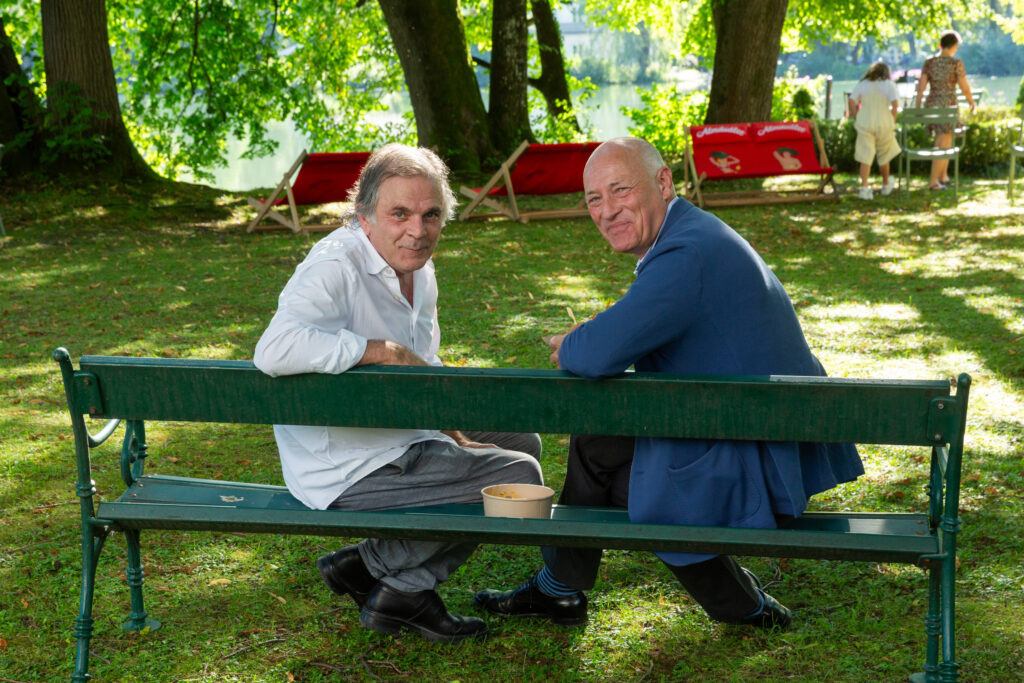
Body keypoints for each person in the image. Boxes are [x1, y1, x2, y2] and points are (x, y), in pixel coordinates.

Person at [474, 137, 864, 631]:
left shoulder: (686, 256)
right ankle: (560, 589)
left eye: (620, 190)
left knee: (641, 488)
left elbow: (594, 354)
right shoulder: (692, 235)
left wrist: (571, 343)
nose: (607, 210)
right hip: (759, 430)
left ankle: (743, 607)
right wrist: (593, 337)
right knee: (599, 443)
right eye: (595, 198)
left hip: (759, 459)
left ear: (663, 182)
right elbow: (635, 327)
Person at [253, 143, 544, 643]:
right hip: (345, 462)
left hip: (400, 430)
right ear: (364, 216)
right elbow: (274, 349)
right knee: (518, 476)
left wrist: (456, 433)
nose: (418, 230)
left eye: (431, 215)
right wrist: (380, 349)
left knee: (522, 444)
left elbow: (424, 371)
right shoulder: (335, 265)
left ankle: (382, 579)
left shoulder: (418, 270)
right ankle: (388, 579)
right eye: (400, 214)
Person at [915, 31, 975, 190]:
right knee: (943, 141)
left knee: (946, 140)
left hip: (932, 104)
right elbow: (964, 87)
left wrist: (918, 104)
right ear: (954, 46)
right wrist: (971, 101)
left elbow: (921, 87)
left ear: (941, 45)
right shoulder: (956, 63)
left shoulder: (929, 63)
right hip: (948, 105)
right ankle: (933, 182)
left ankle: (943, 176)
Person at [848, 61, 901, 200]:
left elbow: (851, 100)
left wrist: (855, 115)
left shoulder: (863, 84)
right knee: (884, 154)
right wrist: (892, 121)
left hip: (865, 121)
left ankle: (864, 188)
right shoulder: (889, 85)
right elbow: (895, 104)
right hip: (884, 121)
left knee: (865, 155)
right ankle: (885, 184)